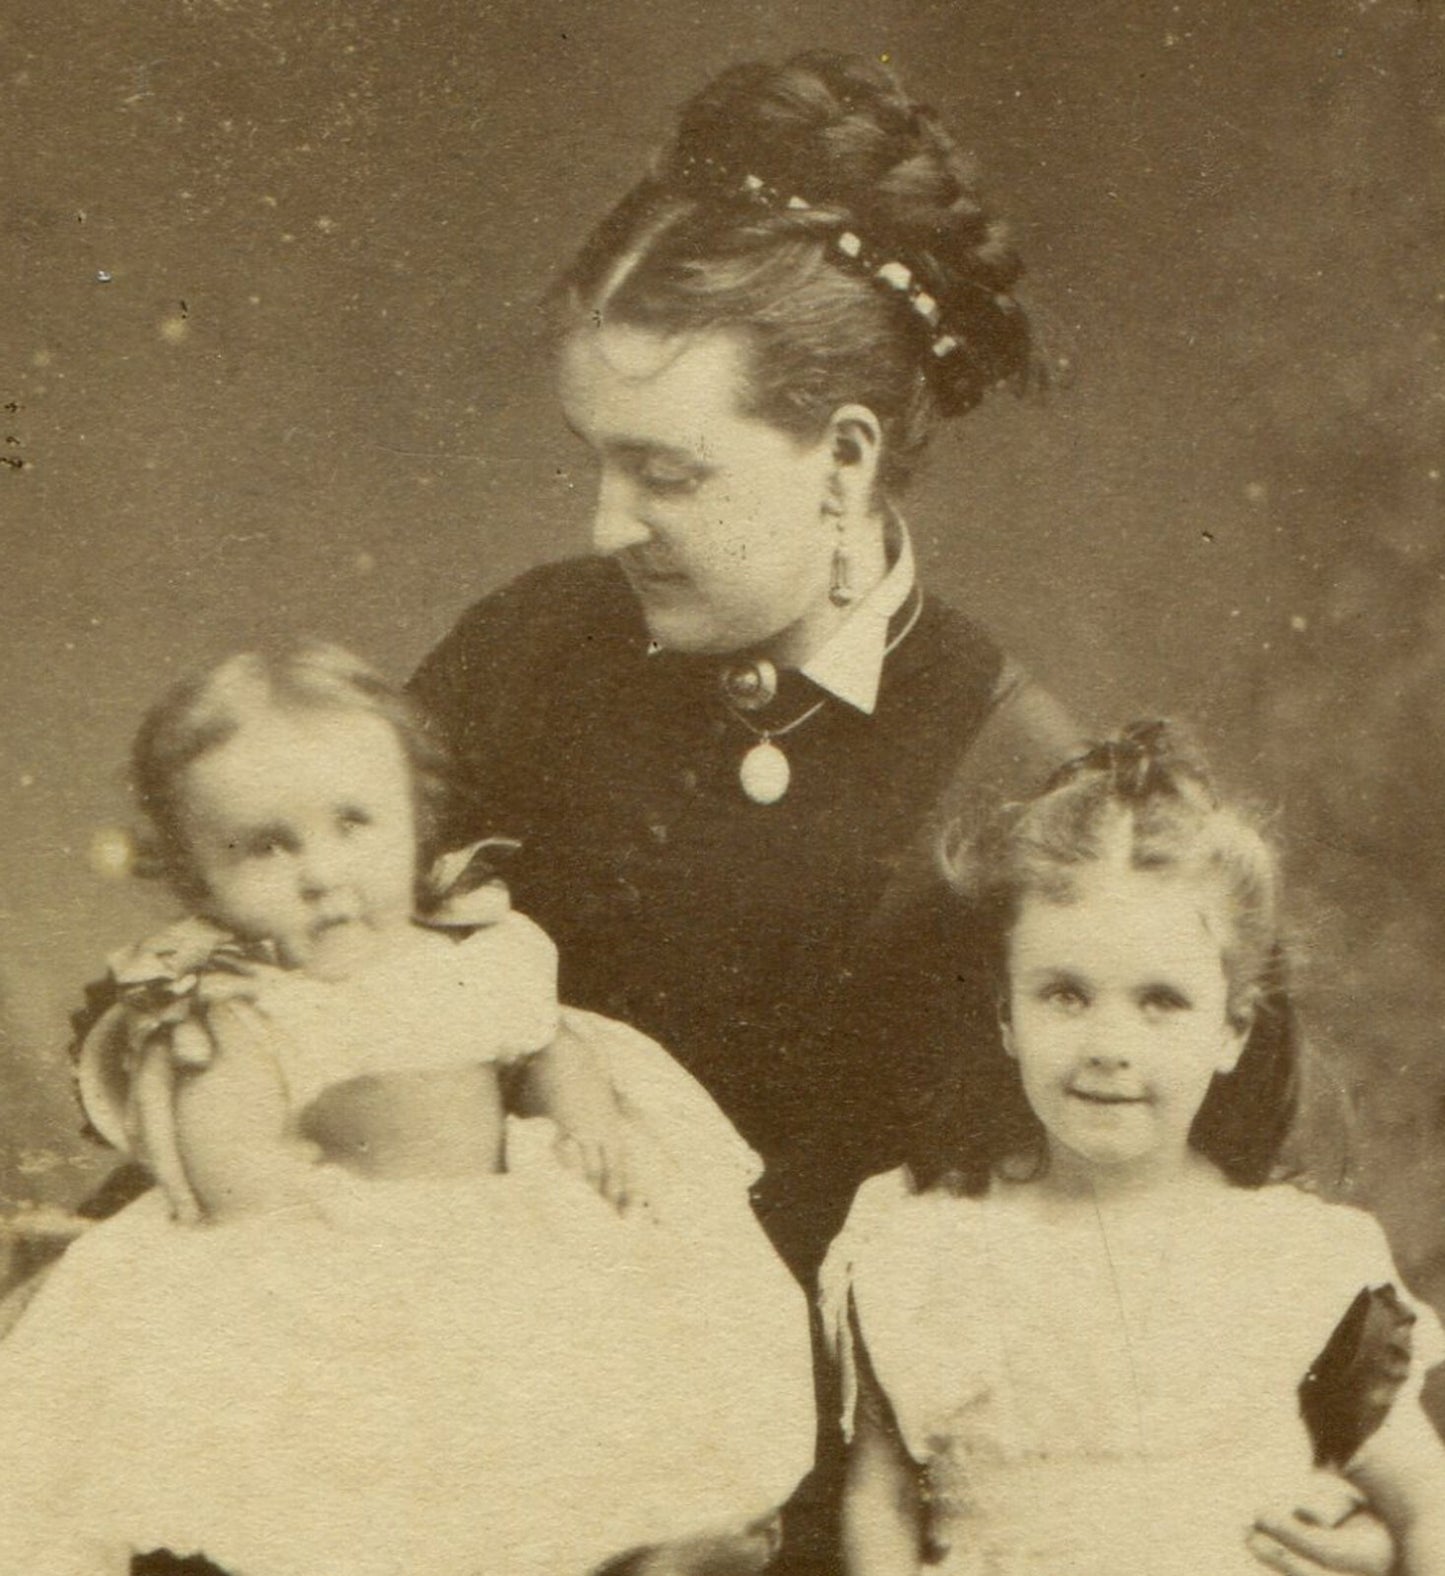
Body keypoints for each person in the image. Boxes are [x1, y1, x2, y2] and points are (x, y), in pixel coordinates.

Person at [118, 49, 1392, 1576]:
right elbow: (291, 975)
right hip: (397, 1399)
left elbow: (1208, 1209)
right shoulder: (527, 648)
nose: (605, 524)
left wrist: (1340, 1497)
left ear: (843, 459)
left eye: (664, 471)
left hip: (752, 1482)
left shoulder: (1012, 785)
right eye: (595, 461)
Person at [0, 643, 814, 1576]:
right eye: (267, 845)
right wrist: (301, 1240)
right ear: (193, 873)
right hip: (331, 1260)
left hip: (503, 1233)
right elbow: (228, 1161)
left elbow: (545, 1043)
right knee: (371, 1464)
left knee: (590, 1390)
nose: (322, 871)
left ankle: (629, 1543)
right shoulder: (241, 1007)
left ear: (418, 820)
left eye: (355, 824)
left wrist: (585, 1120)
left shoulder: (476, 950)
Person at [825, 722, 1445, 1576]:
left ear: (1230, 1031)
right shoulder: (925, 1246)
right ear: (1005, 1015)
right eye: (1066, 995)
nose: (1108, 1045)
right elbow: (880, 1505)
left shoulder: (1299, 1262)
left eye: (1160, 1002)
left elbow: (1427, 1512)